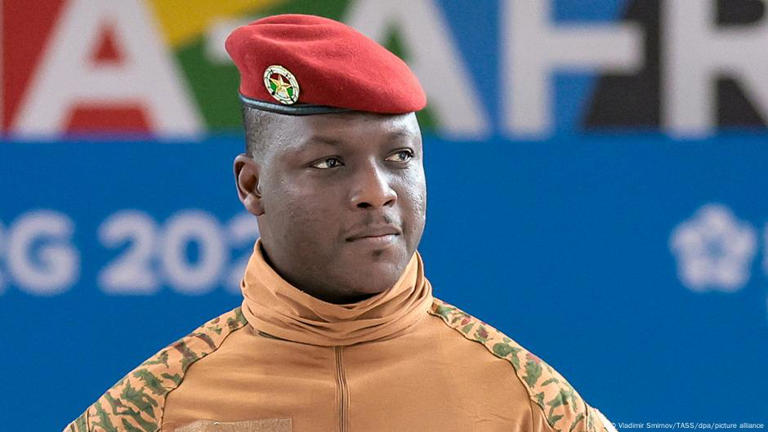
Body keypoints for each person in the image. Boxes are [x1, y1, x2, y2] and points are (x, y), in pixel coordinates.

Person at [65, 14, 616, 432]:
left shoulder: (527, 402)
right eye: (329, 162)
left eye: (399, 156)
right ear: (252, 186)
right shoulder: (155, 408)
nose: (377, 192)